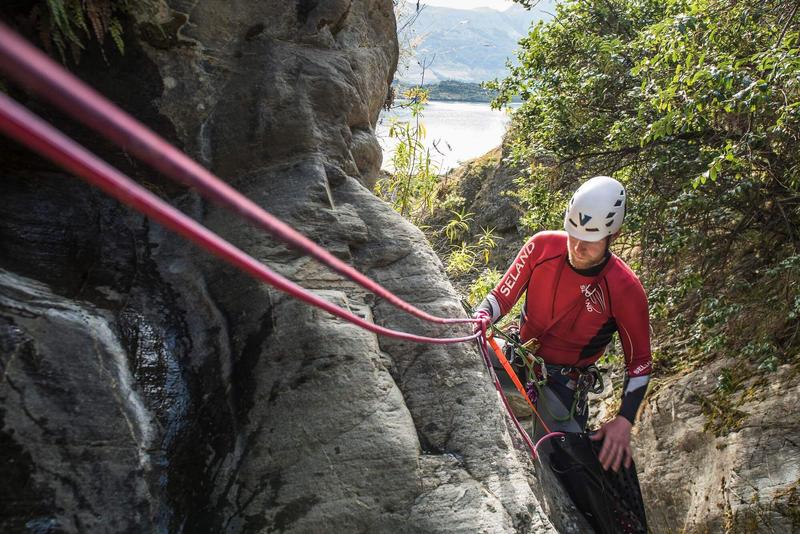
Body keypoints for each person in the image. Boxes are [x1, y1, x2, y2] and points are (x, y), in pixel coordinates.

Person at [473, 176, 651, 473]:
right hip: (519, 355)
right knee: (463, 346)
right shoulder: (542, 247)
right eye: (573, 234)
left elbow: (640, 363)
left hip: (563, 385)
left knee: (560, 468)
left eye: (591, 240)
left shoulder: (624, 288)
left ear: (614, 235)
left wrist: (625, 420)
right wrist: (482, 317)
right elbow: (501, 298)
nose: (578, 247)